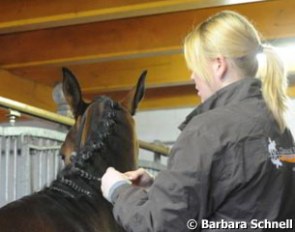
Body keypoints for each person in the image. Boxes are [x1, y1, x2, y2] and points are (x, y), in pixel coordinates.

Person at [101, 10, 295, 231]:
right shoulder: (279, 128)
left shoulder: (207, 130)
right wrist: (157, 187)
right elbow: (244, 203)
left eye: (195, 66)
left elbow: (156, 225)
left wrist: (118, 190)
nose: (192, 76)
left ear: (218, 65)